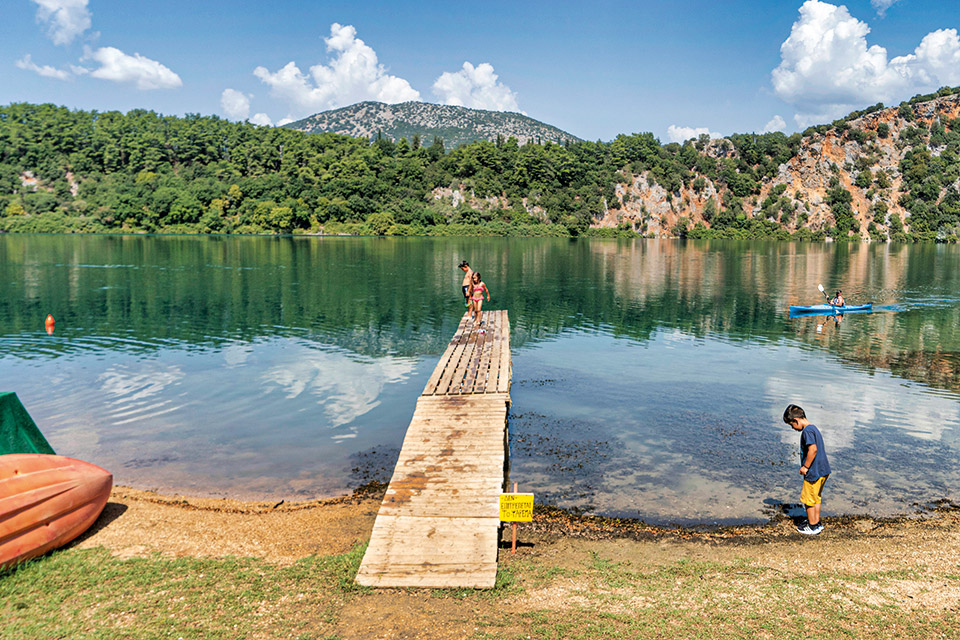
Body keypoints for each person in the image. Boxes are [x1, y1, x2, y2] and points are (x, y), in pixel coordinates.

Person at [782, 404, 831, 535]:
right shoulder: (813, 428)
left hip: (813, 471)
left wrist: (805, 467)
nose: (793, 428)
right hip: (823, 470)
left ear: (796, 420)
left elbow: (813, 449)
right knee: (816, 498)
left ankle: (812, 526)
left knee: (808, 500)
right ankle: (816, 522)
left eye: (792, 425)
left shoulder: (807, 431)